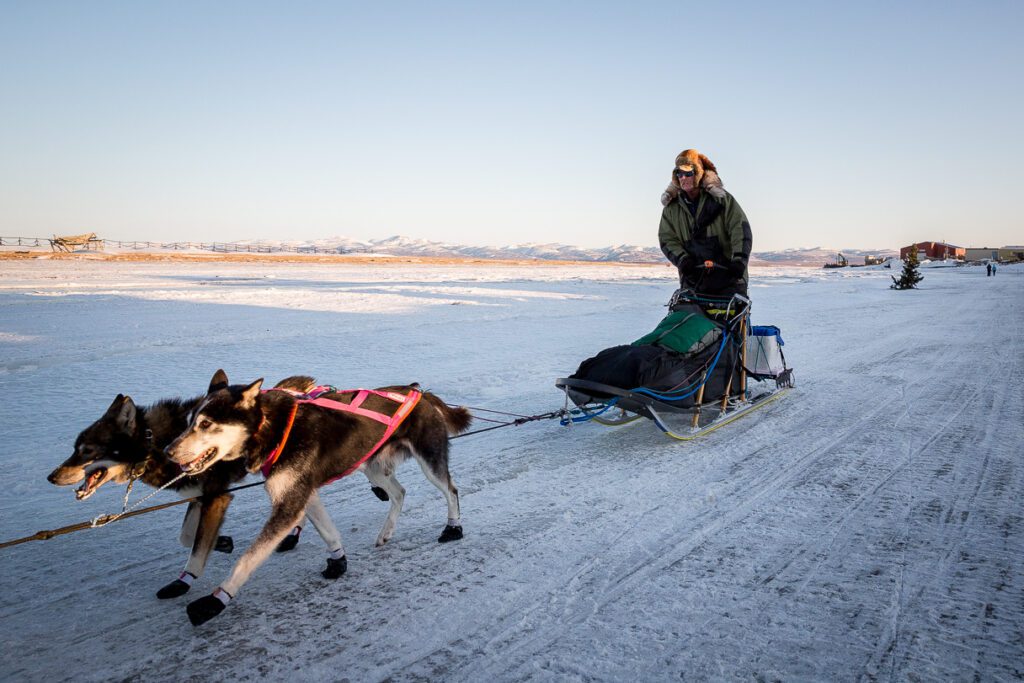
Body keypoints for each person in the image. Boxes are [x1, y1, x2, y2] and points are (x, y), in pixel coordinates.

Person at [658, 149, 752, 298]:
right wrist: (683, 260)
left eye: (688, 173)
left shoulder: (723, 200)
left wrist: (739, 261)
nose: (683, 178)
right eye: (679, 174)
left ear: (698, 173)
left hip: (729, 278)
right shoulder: (671, 208)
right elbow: (667, 239)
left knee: (729, 320)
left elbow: (740, 230)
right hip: (694, 280)